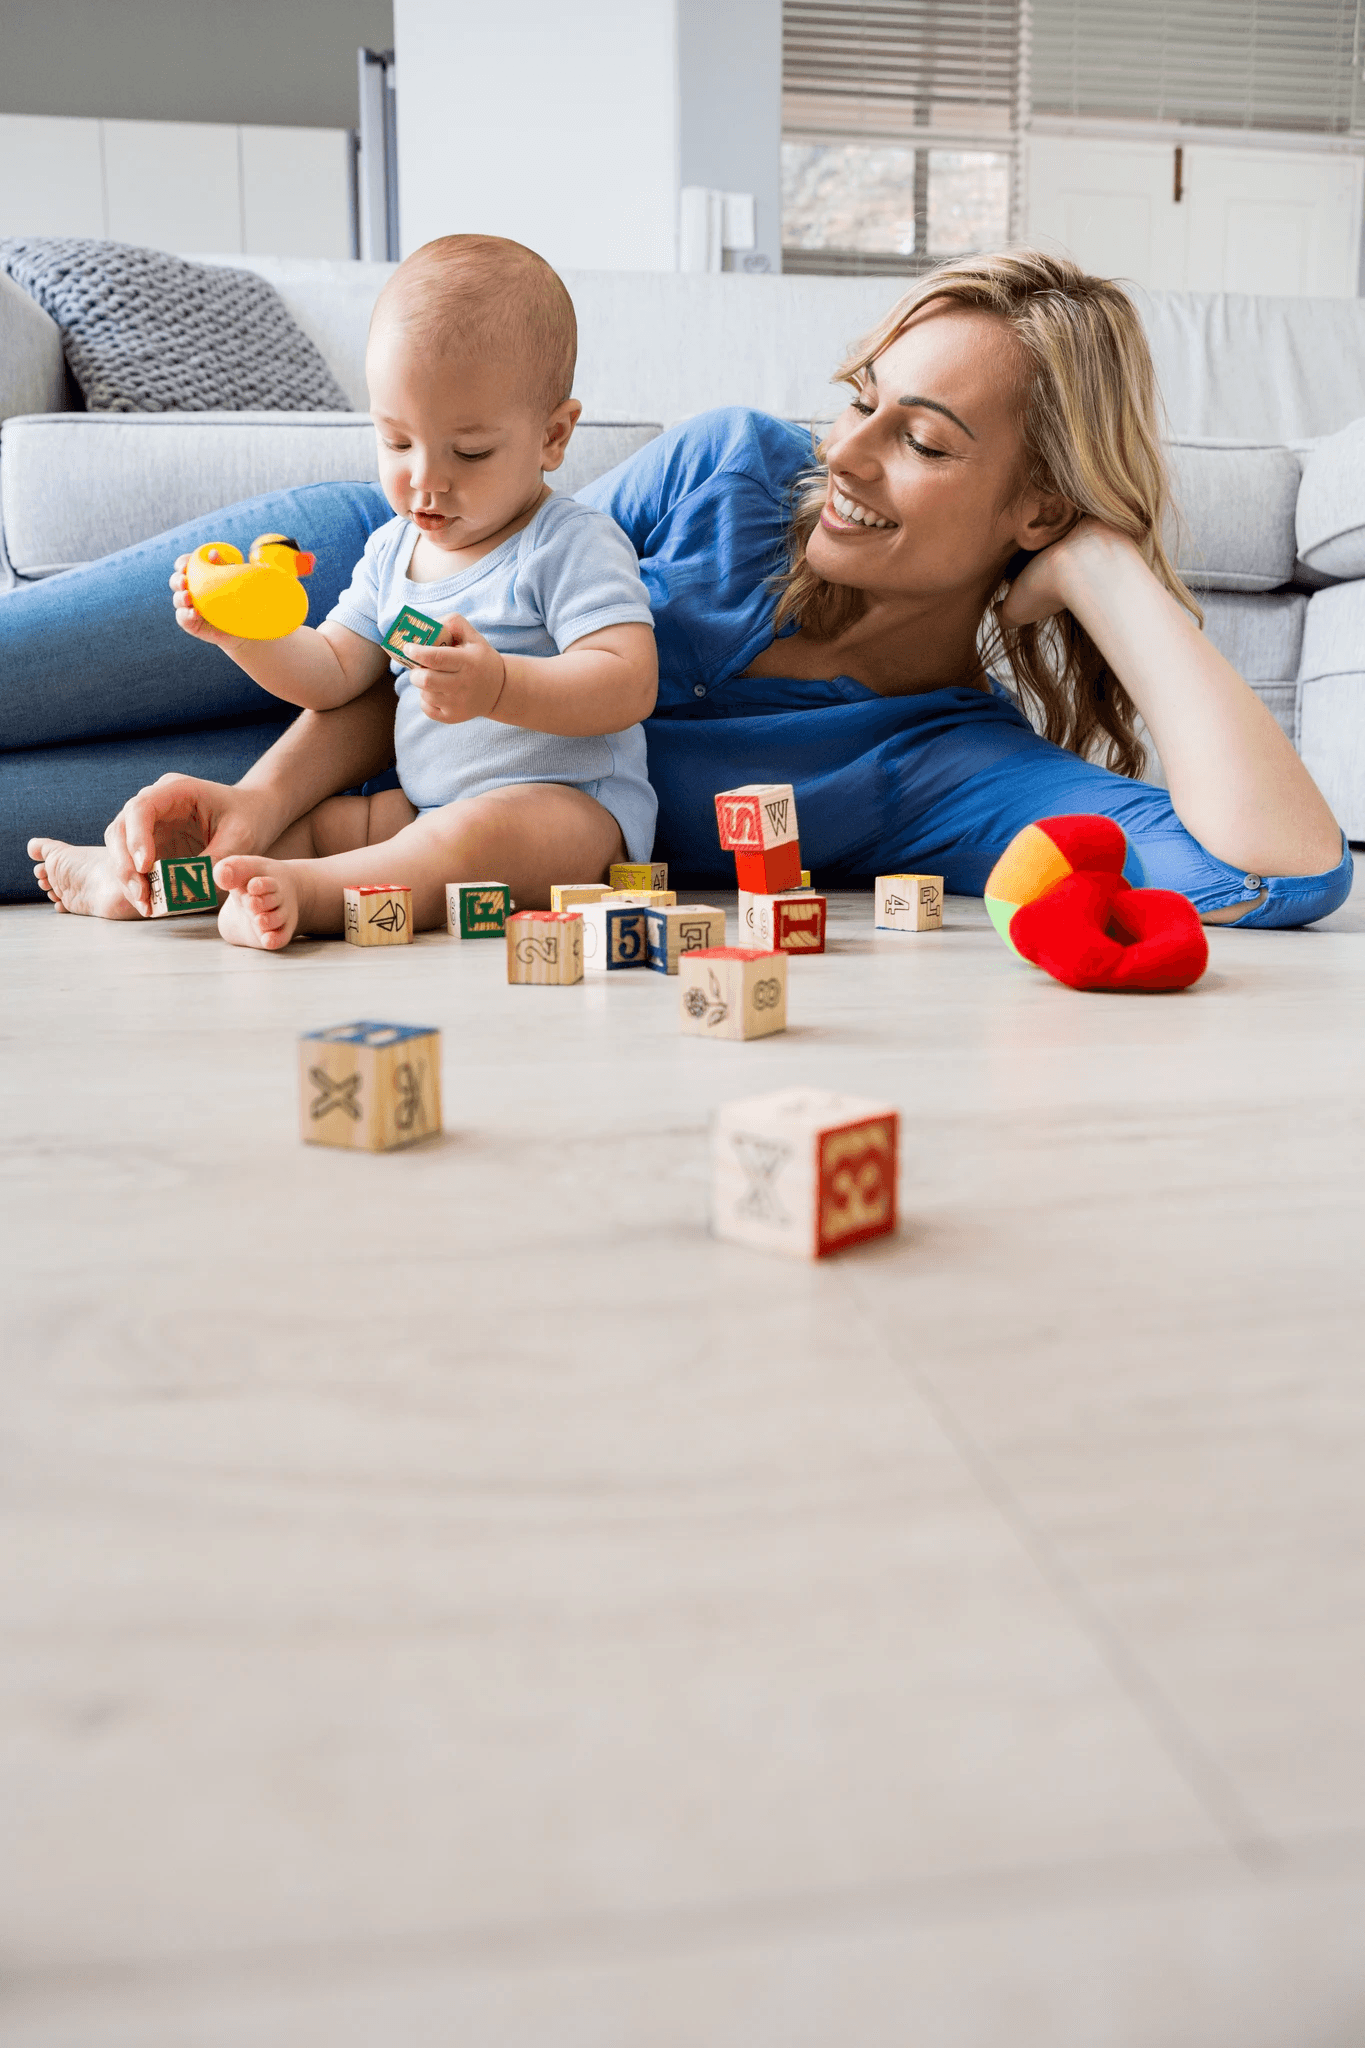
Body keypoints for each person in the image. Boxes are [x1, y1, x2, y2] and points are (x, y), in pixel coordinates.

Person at [26, 250, 1351, 931]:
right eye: (861, 401)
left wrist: (1107, 571)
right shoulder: (731, 465)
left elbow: (1279, 874)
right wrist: (261, 799)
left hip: (389, 824)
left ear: (1037, 507)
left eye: (924, 441)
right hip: (330, 612)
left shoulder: (952, 772)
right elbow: (458, 613)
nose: (846, 456)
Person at [38, 233, 659, 948]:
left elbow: (628, 681)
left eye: (470, 452)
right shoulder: (393, 552)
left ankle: (312, 896)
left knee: (465, 839)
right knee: (310, 827)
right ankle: (140, 882)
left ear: (553, 436)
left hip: (572, 814)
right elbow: (331, 674)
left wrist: (499, 687)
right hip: (422, 809)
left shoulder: (570, 542)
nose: (425, 479)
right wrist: (245, 636)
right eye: (397, 442)